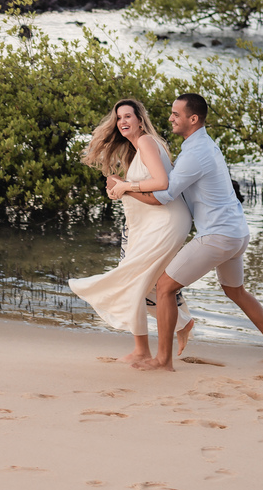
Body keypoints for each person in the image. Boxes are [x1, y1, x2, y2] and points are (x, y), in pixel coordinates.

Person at [110, 93, 263, 371]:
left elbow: (164, 195)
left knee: (164, 287)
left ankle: (163, 360)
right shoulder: (204, 145)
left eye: (176, 114)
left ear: (192, 119)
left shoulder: (195, 154)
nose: (170, 118)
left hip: (218, 236)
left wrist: (126, 188)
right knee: (236, 292)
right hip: (237, 233)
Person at [69, 99, 193, 365]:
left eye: (128, 116)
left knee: (133, 278)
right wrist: (121, 187)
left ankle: (145, 349)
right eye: (119, 118)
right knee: (150, 281)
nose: (123, 122)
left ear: (140, 119)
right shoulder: (136, 149)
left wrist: (125, 186)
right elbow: (142, 190)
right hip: (155, 222)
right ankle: (178, 326)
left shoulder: (147, 142)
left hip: (166, 222)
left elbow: (161, 183)